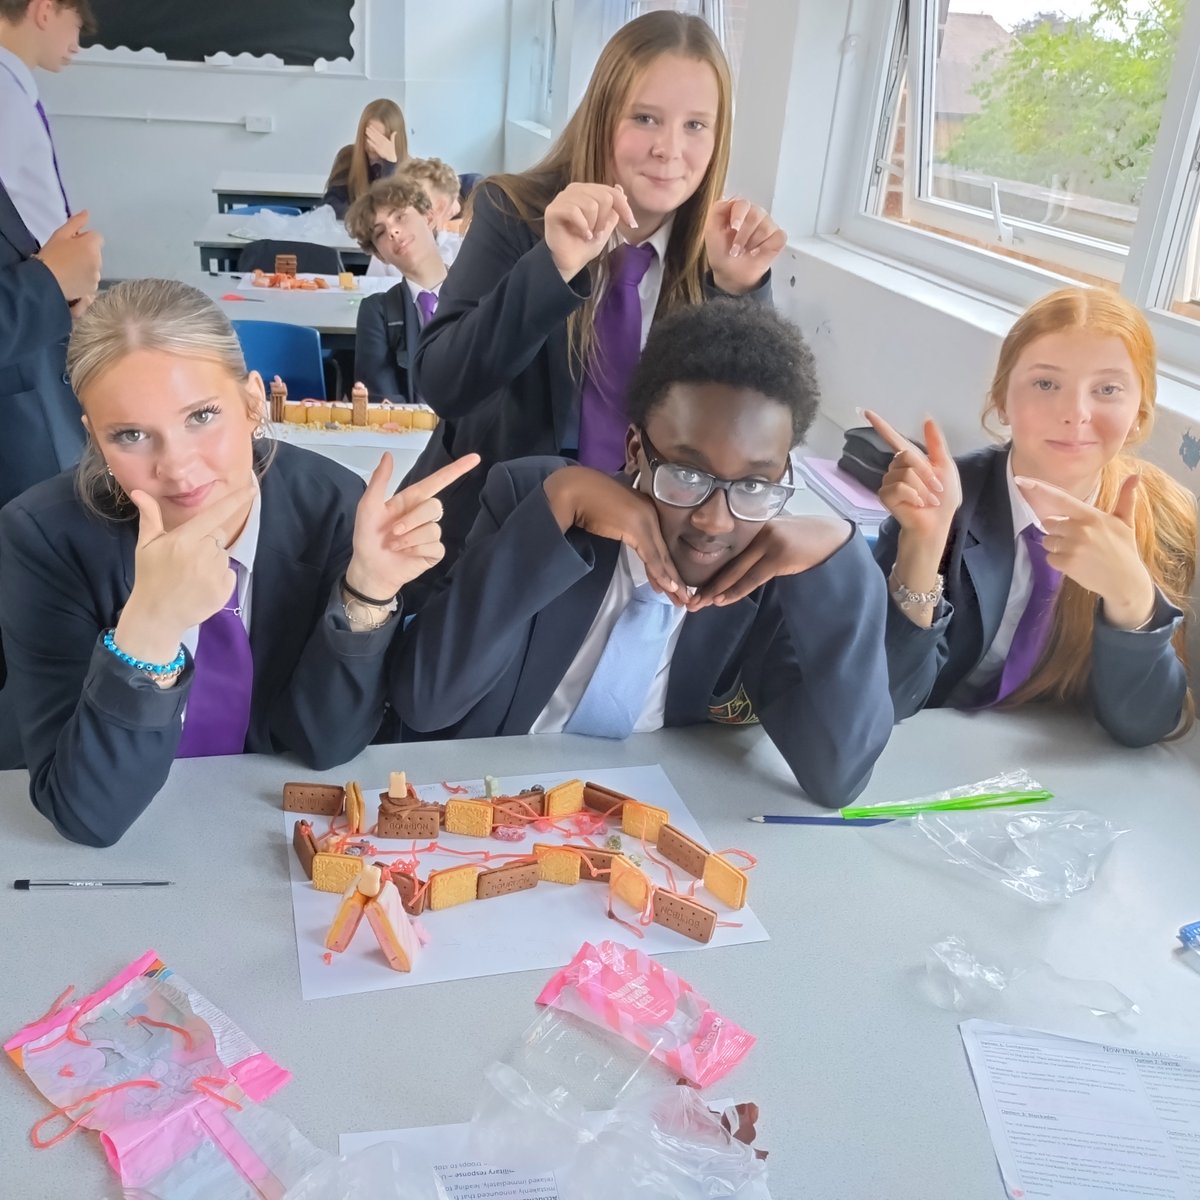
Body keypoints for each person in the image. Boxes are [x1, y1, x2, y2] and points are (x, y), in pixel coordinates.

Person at [0, 279, 478, 847]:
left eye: (201, 416)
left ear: (253, 402)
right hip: (120, 837)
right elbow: (86, 815)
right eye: (130, 435)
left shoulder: (332, 508)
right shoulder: (44, 537)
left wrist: (368, 591)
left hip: (265, 829)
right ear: (95, 440)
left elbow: (322, 744)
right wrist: (148, 630)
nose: (177, 468)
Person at [393, 302, 893, 809]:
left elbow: (838, 776)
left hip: (647, 836)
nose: (715, 520)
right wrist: (557, 506)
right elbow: (427, 701)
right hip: (491, 810)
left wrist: (845, 560)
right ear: (635, 448)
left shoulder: (772, 580)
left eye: (754, 484)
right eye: (686, 475)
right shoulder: (534, 502)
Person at [406, 11, 787, 600]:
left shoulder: (715, 253)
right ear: (602, 116)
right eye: (645, 118)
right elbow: (446, 383)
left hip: (638, 561)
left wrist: (737, 294)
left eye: (696, 126)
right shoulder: (515, 213)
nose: (669, 149)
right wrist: (553, 267)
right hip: (492, 542)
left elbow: (745, 437)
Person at [868, 285, 1196, 747]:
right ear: (1002, 399)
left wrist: (1132, 597)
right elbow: (886, 698)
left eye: (1107, 389)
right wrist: (922, 547)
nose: (1075, 414)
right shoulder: (943, 498)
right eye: (1046, 384)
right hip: (928, 753)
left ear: (1139, 413)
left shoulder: (1164, 516)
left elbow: (1145, 726)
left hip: (1053, 780)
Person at [344, 175, 446, 402]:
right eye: (380, 232)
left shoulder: (479, 294)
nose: (393, 232)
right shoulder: (377, 312)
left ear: (429, 218)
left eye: (400, 217)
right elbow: (382, 400)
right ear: (380, 255)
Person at [0, 0, 93, 243]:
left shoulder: (13, 90)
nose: (76, 47)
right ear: (46, 10)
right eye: (76, 25)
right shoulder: (5, 93)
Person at [322, 98, 408, 220]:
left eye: (380, 139)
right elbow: (332, 208)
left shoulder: (411, 170)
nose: (372, 145)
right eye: (368, 136)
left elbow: (391, 213)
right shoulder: (347, 157)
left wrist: (390, 166)